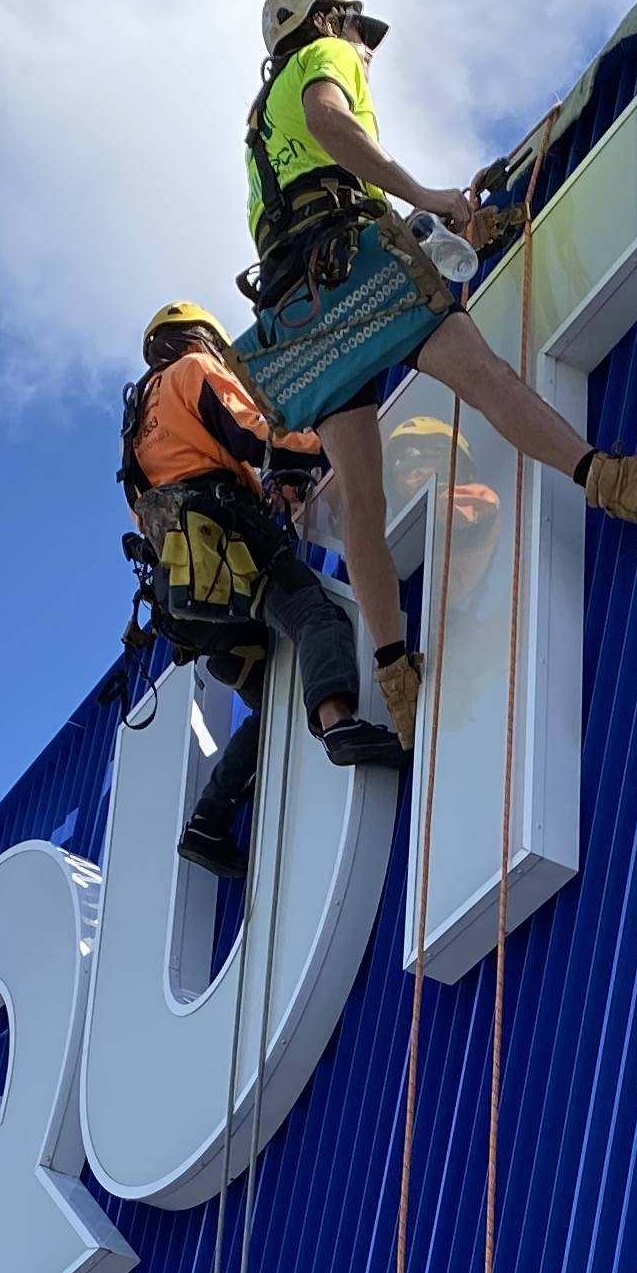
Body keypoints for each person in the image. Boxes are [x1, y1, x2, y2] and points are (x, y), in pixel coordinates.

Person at [235, 0, 637, 746]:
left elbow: (298, 198)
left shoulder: (257, 125)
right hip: (353, 274)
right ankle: (616, 484)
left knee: (364, 506)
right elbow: (334, 126)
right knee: (484, 377)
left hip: (299, 315)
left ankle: (398, 687)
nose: (364, 50)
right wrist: (431, 196)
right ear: (328, 18)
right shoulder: (322, 58)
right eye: (358, 31)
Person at [121, 301, 403, 880]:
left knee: (271, 701)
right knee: (315, 616)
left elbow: (162, 502)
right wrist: (326, 440)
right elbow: (250, 434)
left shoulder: (134, 431)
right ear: (196, 336)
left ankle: (207, 824)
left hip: (188, 595)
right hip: (232, 551)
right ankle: (338, 721)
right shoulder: (191, 371)